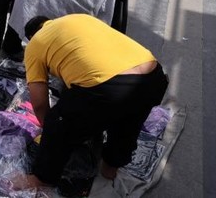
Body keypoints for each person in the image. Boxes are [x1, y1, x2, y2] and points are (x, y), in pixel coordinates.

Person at [19, 14, 168, 189]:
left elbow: (39, 103)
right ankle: (110, 168)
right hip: (153, 75)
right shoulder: (78, 19)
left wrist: (52, 131)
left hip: (110, 88)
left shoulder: (35, 44)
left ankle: (40, 179)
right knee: (127, 123)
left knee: (57, 122)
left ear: (31, 37)